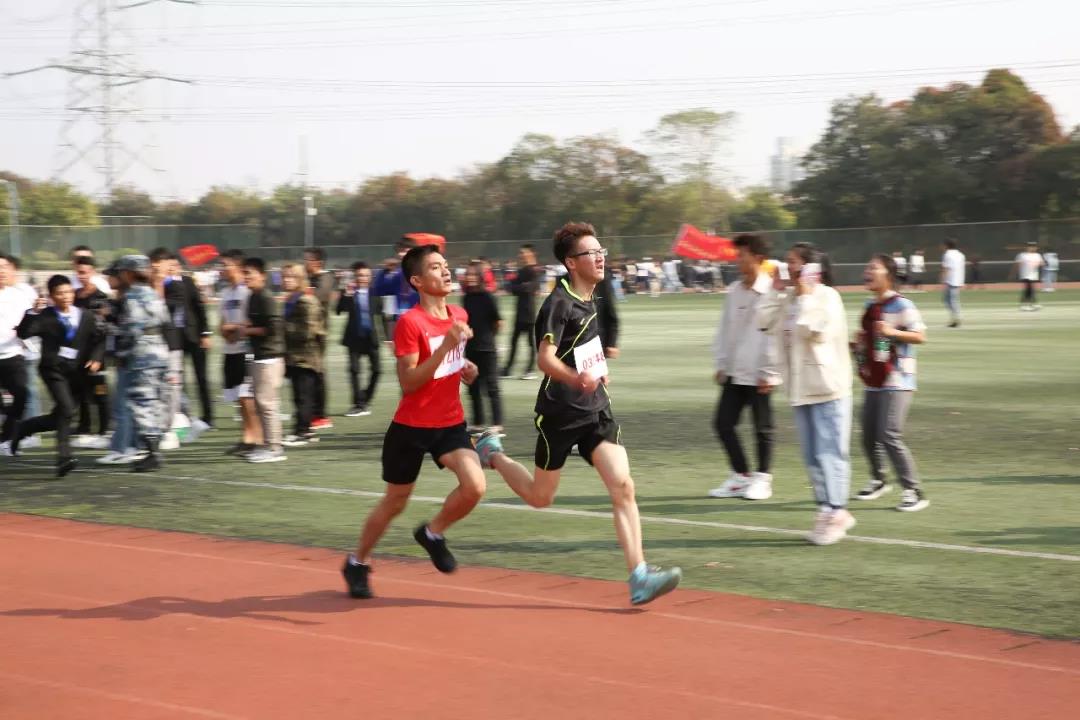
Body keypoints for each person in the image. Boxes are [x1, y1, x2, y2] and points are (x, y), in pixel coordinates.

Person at [472, 222, 682, 606]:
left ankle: (639, 576)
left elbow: (583, 344)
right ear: (571, 262)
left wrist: (597, 370)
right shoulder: (558, 303)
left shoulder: (591, 295)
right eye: (591, 253)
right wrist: (575, 378)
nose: (600, 258)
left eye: (601, 251)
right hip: (560, 414)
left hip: (596, 411)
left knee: (623, 486)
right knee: (540, 497)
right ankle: (493, 453)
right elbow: (545, 359)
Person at [342, 244, 482, 600]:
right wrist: (445, 347)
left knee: (475, 486)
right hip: (411, 427)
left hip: (450, 423)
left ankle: (432, 533)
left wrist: (465, 368)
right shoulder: (410, 322)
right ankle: (358, 562)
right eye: (435, 267)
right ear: (417, 281)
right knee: (396, 501)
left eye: (445, 265)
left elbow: (450, 363)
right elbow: (409, 382)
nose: (445, 271)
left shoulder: (459, 314)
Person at [759, 242, 855, 545]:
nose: (788, 267)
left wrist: (805, 296)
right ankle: (826, 508)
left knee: (830, 452)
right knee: (812, 456)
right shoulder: (787, 297)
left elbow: (816, 331)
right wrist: (776, 290)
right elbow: (762, 321)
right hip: (800, 389)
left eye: (794, 262)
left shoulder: (827, 297)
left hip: (827, 388)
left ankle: (837, 510)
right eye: (787, 261)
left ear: (811, 267)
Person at [853, 255, 929, 512]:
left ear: (889, 274)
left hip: (898, 378)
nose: (867, 271)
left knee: (889, 434)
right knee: (868, 435)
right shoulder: (869, 305)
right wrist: (859, 345)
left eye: (873, 267)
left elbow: (920, 336)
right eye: (867, 267)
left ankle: (913, 491)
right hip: (875, 378)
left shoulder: (902, 304)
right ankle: (879, 479)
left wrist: (892, 332)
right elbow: (870, 338)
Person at [707, 233, 780, 501]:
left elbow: (775, 335)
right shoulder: (735, 290)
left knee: (763, 428)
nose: (737, 260)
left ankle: (763, 479)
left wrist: (770, 372)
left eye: (742, 255)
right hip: (734, 370)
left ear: (758, 258)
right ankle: (740, 476)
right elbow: (725, 329)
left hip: (760, 372)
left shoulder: (773, 291)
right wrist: (721, 363)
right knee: (723, 424)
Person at [10, 275, 106, 476]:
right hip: (53, 371)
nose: (66, 296)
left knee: (60, 416)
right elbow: (23, 333)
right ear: (52, 296)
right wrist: (32, 312)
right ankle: (64, 458)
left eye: (68, 292)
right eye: (60, 293)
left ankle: (24, 428)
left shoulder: (85, 316)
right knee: (66, 409)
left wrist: (96, 358)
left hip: (78, 374)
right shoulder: (45, 316)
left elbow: (99, 338)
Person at [111, 255, 170, 473]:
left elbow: (132, 329)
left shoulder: (132, 296)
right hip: (159, 350)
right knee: (155, 401)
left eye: (121, 272)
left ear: (128, 274)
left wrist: (120, 351)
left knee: (141, 402)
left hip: (142, 354)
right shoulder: (154, 293)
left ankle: (153, 453)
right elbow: (165, 321)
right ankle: (153, 449)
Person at [242, 257, 287, 464]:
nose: (246, 277)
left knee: (267, 404)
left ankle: (275, 447)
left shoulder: (267, 298)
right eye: (245, 273)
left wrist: (247, 330)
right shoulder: (253, 296)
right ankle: (266, 444)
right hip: (259, 356)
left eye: (249, 273)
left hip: (269, 357)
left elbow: (273, 329)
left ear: (262, 275)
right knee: (260, 404)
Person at [218, 250, 262, 457]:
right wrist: (225, 331)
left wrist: (233, 329)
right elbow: (221, 322)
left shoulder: (247, 292)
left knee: (247, 397)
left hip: (246, 350)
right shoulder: (226, 293)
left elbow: (251, 321)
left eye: (225, 265)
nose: (222, 269)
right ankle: (246, 438)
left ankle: (257, 439)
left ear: (237, 266)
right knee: (238, 397)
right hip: (230, 351)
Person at [281, 263, 325, 447]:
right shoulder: (291, 299)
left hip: (306, 357)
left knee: (303, 397)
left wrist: (282, 329)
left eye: (290, 277)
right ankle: (303, 429)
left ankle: (303, 431)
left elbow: (308, 331)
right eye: (284, 277)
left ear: (300, 279)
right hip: (294, 356)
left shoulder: (306, 300)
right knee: (298, 395)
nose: (286, 280)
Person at [71, 256, 111, 449]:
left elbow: (104, 332)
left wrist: (97, 357)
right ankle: (84, 428)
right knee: (81, 392)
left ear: (92, 272)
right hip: (77, 354)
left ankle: (105, 431)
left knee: (100, 392)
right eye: (79, 272)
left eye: (85, 272)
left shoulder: (101, 298)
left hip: (96, 355)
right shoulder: (74, 296)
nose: (82, 276)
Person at [461, 261, 503, 432]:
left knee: (491, 386)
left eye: (473, 274)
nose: (470, 278)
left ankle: (497, 424)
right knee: (473, 388)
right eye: (468, 274)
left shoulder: (488, 297)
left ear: (480, 277)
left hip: (487, 349)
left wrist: (488, 337)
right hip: (470, 348)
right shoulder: (466, 298)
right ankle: (478, 422)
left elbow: (498, 322)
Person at [337, 261, 381, 418]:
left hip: (371, 338)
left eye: (366, 275)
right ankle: (358, 405)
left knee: (377, 370)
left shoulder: (375, 293)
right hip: (354, 338)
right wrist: (346, 295)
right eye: (360, 275)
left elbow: (382, 314)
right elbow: (338, 310)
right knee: (354, 371)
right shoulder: (350, 292)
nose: (363, 278)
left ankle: (364, 398)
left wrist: (389, 337)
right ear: (355, 277)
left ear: (370, 277)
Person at [0, 254, 33, 454]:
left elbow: (29, 322)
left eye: (4, 266)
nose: (1, 271)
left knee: (22, 395)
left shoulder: (18, 296)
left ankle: (7, 438)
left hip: (13, 354)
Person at [304, 247, 337, 429]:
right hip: (306, 331)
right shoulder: (310, 279)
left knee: (317, 372)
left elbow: (317, 297)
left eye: (307, 260)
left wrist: (303, 290)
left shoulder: (326, 278)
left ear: (318, 262)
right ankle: (311, 411)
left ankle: (321, 415)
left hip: (318, 332)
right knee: (309, 372)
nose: (304, 263)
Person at [502, 244, 540, 380]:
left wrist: (518, 287)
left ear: (531, 254)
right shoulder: (523, 271)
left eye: (524, 253)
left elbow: (529, 288)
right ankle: (507, 369)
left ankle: (530, 370)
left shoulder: (533, 270)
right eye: (520, 253)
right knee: (514, 341)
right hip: (520, 312)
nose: (521, 256)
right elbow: (512, 288)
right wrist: (518, 287)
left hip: (529, 312)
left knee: (531, 343)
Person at [374, 236, 419, 343]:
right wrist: (385, 271)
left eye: (405, 250)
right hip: (401, 319)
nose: (401, 254)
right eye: (399, 251)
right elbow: (379, 290)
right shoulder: (396, 275)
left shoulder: (423, 272)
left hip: (419, 319)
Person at [940, 239, 965, 328]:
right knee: (951, 300)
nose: (942, 247)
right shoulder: (961, 255)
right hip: (958, 280)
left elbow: (946, 268)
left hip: (950, 280)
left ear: (946, 245)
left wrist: (943, 279)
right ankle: (955, 318)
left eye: (943, 245)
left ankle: (957, 318)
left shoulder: (947, 254)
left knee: (950, 300)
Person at [1013, 242, 1044, 311]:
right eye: (1030, 246)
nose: (1033, 248)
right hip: (1025, 275)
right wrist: (1015, 273)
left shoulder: (1037, 255)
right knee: (1028, 290)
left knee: (1031, 290)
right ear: (1027, 247)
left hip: (1034, 275)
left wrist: (1040, 264)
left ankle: (1032, 304)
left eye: (1034, 246)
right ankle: (1025, 305)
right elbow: (1017, 264)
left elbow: (1042, 263)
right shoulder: (1022, 255)